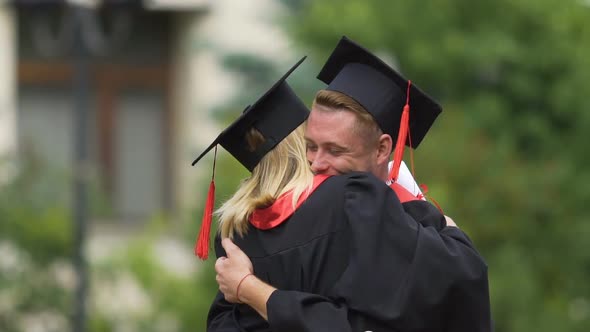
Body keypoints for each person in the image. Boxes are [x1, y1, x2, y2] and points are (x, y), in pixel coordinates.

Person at [209, 37, 492, 332]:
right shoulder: (361, 202)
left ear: (383, 150)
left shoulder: (238, 232)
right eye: (311, 146)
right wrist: (448, 230)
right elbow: (463, 279)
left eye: (335, 150)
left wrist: (247, 288)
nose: (317, 163)